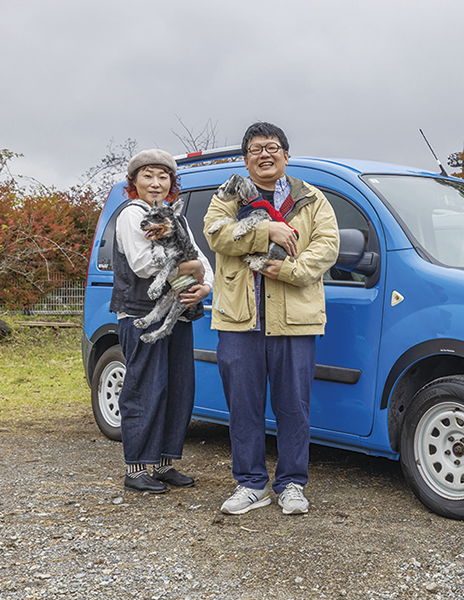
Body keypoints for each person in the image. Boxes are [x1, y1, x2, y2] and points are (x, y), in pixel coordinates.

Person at [204, 122, 339, 515]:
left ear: (286, 155)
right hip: (238, 318)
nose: (265, 154)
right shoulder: (228, 193)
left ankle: (292, 483)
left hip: (295, 319)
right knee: (243, 407)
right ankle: (250, 484)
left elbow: (328, 246)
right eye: (256, 149)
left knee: (294, 407)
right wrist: (267, 231)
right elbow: (216, 233)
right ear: (246, 160)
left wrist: (291, 271)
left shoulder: (311, 197)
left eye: (272, 147)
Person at [111, 149, 213, 494]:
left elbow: (202, 261)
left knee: (178, 389)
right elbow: (143, 265)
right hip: (141, 313)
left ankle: (164, 464)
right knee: (145, 389)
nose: (156, 183)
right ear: (134, 182)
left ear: (172, 182)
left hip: (178, 313)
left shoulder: (175, 217)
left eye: (163, 176)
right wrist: (191, 268)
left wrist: (205, 286)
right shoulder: (131, 214)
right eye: (148, 176)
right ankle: (137, 467)